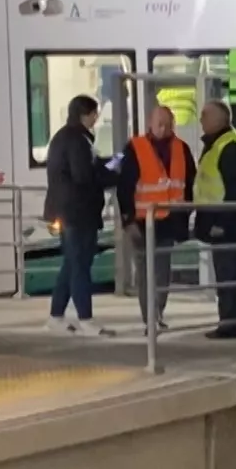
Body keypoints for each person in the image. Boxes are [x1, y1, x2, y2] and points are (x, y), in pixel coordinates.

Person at [117, 105, 195, 332]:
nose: (163, 128)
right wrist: (128, 220)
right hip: (142, 222)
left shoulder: (182, 148)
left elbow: (189, 183)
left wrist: (185, 213)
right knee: (145, 272)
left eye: (168, 123)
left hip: (168, 222)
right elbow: (124, 186)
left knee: (162, 271)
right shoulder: (134, 147)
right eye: (159, 123)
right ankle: (149, 319)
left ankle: (157, 313)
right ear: (150, 123)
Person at [44, 94, 115, 336]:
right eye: (94, 113)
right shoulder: (77, 140)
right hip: (77, 212)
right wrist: (114, 174)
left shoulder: (65, 137)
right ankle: (85, 318)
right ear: (85, 114)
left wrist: (107, 164)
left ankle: (56, 316)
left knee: (72, 263)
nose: (96, 117)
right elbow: (84, 175)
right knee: (81, 265)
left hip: (67, 210)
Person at [193, 101, 236, 338]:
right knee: (226, 273)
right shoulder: (222, 143)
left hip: (225, 224)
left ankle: (233, 323)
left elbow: (233, 190)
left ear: (218, 120)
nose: (201, 121)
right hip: (220, 221)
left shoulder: (228, 146)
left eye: (204, 116)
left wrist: (221, 223)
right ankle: (233, 321)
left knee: (228, 274)